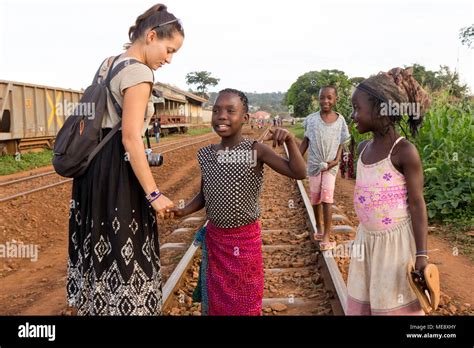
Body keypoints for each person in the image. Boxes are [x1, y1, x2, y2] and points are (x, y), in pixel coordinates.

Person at [66, 3, 183, 315]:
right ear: (152, 36)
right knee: (124, 246)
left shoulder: (108, 63)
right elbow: (130, 137)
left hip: (91, 171)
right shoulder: (139, 72)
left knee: (98, 244)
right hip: (118, 170)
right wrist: (154, 193)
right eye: (169, 49)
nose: (168, 59)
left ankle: (99, 307)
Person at [172, 88, 306, 315]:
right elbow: (205, 194)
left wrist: (290, 141)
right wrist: (183, 210)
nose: (221, 115)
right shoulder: (206, 154)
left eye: (230, 110)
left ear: (245, 118)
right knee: (217, 301)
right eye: (216, 110)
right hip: (216, 242)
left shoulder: (255, 150)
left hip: (244, 242)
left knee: (245, 298)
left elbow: (298, 172)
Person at [347, 67, 431, 315]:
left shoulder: (404, 152)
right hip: (366, 241)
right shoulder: (362, 149)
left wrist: (422, 255)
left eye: (356, 108)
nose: (353, 115)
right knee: (369, 298)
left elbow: (417, 204)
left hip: (395, 247)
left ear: (381, 109)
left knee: (391, 303)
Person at [299, 86, 350, 250]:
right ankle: (319, 228)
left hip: (331, 166)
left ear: (336, 100)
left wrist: (336, 160)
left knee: (327, 197)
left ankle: (327, 235)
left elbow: (342, 142)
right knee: (315, 198)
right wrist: (296, 157)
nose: (325, 101)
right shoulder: (312, 120)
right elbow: (306, 141)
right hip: (314, 164)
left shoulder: (340, 120)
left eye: (329, 98)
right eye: (322, 98)